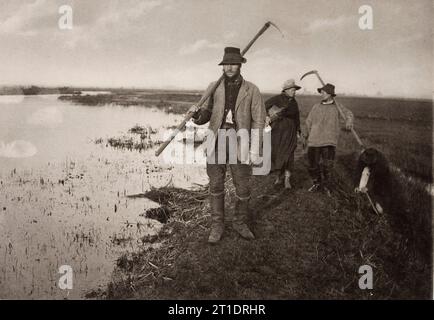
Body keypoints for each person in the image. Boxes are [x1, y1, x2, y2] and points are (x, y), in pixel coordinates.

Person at [190, 47, 266, 244]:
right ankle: (217, 225)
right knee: (215, 184)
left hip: (241, 140)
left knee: (243, 187)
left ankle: (240, 223)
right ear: (222, 66)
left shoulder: (252, 89)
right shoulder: (213, 87)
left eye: (233, 64)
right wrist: (196, 115)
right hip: (217, 140)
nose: (230, 68)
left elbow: (259, 121)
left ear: (240, 65)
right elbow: (206, 114)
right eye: (226, 64)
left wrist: (253, 148)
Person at [303, 83, 354, 195]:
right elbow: (308, 122)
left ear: (330, 94)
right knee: (313, 165)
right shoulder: (316, 107)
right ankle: (316, 183)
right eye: (321, 92)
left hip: (329, 141)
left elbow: (348, 114)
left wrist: (349, 121)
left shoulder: (338, 107)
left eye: (324, 92)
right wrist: (305, 135)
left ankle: (327, 187)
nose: (322, 94)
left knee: (328, 166)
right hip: (314, 140)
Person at [265, 79, 301, 189]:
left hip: (290, 131)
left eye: (295, 90)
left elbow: (296, 117)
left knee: (289, 154)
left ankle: (287, 179)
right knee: (278, 153)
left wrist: (298, 131)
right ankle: (279, 177)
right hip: (278, 131)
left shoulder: (294, 102)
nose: (294, 92)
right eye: (292, 90)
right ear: (286, 90)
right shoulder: (277, 98)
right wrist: (266, 116)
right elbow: (263, 106)